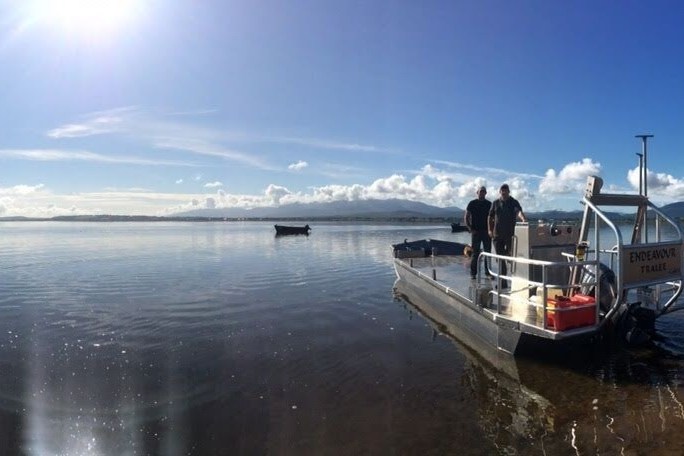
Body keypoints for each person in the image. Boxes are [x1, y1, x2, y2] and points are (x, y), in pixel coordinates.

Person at [488, 184, 526, 288]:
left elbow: (518, 211)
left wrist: (522, 219)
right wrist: (490, 230)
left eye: (506, 191)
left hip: (510, 235)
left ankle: (517, 280)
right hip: (497, 235)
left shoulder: (513, 202)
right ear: (499, 192)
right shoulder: (495, 203)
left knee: (511, 257)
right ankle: (503, 283)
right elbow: (490, 217)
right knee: (500, 259)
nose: (504, 193)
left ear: (509, 192)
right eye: (502, 191)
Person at [464, 186, 492, 280]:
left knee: (488, 253)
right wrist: (470, 228)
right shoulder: (472, 203)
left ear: (486, 193)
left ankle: (488, 273)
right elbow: (466, 216)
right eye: (480, 192)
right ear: (477, 192)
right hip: (475, 232)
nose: (482, 193)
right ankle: (473, 273)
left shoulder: (489, 204)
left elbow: (493, 218)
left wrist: (491, 229)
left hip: (486, 232)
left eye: (484, 192)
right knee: (475, 253)